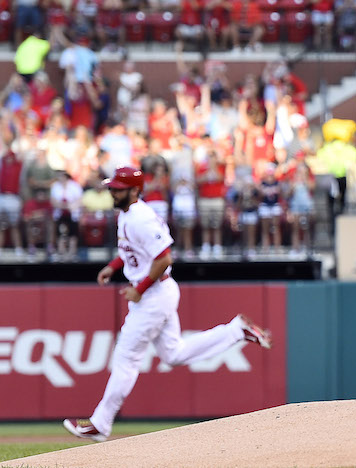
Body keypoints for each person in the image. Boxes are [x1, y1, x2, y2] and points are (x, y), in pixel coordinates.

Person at [63, 166, 272, 442]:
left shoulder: (141, 218)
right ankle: (235, 331)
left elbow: (164, 259)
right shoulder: (127, 215)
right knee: (173, 354)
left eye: (118, 188)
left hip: (153, 295)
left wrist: (139, 289)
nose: (112, 192)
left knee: (126, 358)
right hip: (156, 293)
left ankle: (100, 424)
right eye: (112, 188)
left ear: (134, 190)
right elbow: (133, 251)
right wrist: (113, 266)